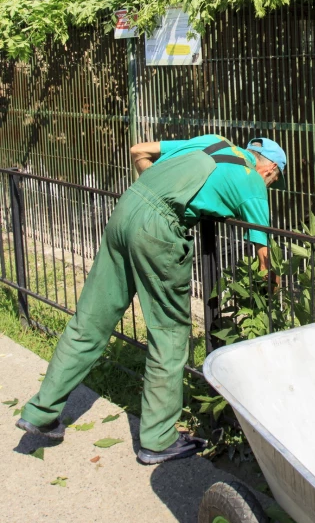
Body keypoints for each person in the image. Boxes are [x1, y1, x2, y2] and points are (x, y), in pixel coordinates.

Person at [16, 135, 286, 464]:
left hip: (128, 209)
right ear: (269, 167)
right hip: (158, 232)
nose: (269, 183)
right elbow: (263, 255)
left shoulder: (214, 141)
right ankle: (158, 440)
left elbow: (138, 151)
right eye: (274, 178)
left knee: (90, 320)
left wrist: (156, 196)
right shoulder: (252, 181)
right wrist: (272, 283)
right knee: (170, 333)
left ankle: (41, 411)